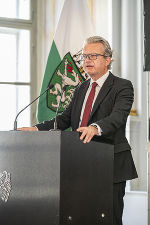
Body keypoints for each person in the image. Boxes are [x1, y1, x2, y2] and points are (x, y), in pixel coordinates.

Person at [19, 36, 138, 225]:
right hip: (79, 164)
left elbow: (118, 116)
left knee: (110, 219)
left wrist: (95, 127)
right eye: (84, 56)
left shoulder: (122, 86)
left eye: (93, 56)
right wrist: (36, 128)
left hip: (110, 165)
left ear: (108, 60)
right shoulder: (81, 87)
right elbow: (65, 118)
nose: (87, 60)